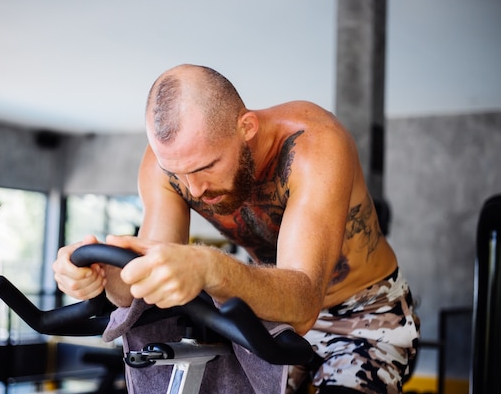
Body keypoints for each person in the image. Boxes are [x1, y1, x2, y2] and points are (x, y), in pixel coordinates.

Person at [53, 64, 420, 394]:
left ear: (246, 127)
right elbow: (150, 290)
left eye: (205, 167)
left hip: (361, 312)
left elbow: (305, 302)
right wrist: (103, 277)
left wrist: (208, 267)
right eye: (178, 173)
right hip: (265, 317)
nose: (193, 188)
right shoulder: (165, 166)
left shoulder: (314, 145)